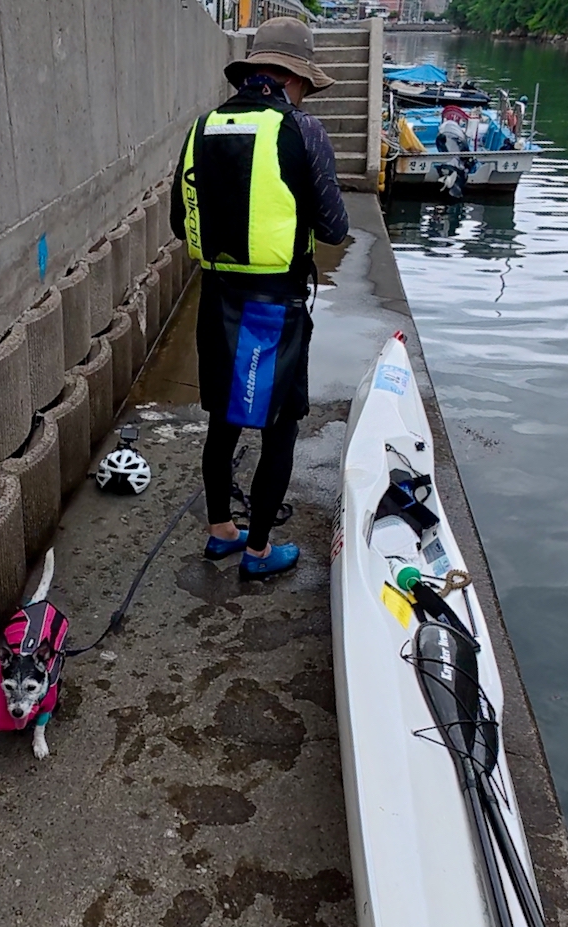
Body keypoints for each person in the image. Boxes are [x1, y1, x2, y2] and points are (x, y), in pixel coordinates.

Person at [171, 17, 350, 581]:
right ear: (294, 78)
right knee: (280, 427)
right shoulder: (301, 130)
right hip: (275, 306)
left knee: (223, 421)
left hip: (217, 296)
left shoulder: (202, 127)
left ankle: (222, 530)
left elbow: (181, 222)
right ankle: (258, 551)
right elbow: (335, 227)